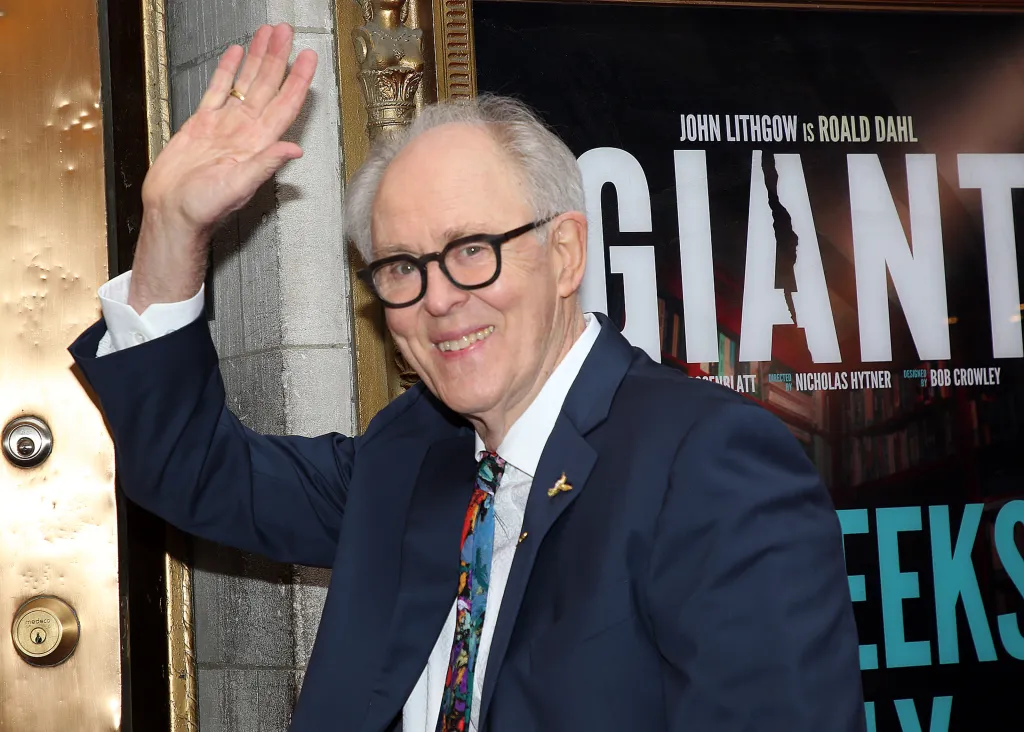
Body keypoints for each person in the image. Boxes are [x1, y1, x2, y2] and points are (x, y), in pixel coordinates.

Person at [70, 22, 866, 732]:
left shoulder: (709, 462)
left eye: (472, 250)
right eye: (402, 267)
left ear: (564, 254)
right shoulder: (415, 452)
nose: (440, 299)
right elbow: (192, 471)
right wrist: (173, 228)